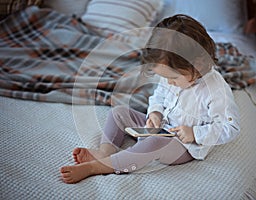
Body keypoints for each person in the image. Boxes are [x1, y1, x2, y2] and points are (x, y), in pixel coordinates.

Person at [60, 14, 240, 184]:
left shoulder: (216, 91)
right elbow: (159, 96)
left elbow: (230, 128)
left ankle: (97, 167)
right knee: (118, 112)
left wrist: (195, 133)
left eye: (173, 78)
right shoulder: (172, 73)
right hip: (162, 128)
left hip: (186, 146)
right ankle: (104, 152)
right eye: (165, 77)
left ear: (197, 65)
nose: (169, 82)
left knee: (154, 144)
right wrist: (155, 112)